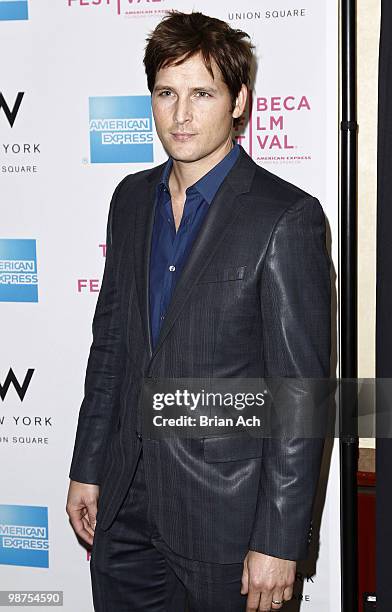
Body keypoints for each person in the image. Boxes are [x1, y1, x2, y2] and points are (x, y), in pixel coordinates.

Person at [66, 10, 331, 612]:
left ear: (238, 102)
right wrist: (88, 466)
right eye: (166, 93)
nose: (181, 114)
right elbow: (110, 347)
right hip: (126, 507)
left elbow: (301, 395)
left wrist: (279, 541)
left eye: (202, 93)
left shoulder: (284, 217)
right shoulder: (130, 200)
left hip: (228, 523)